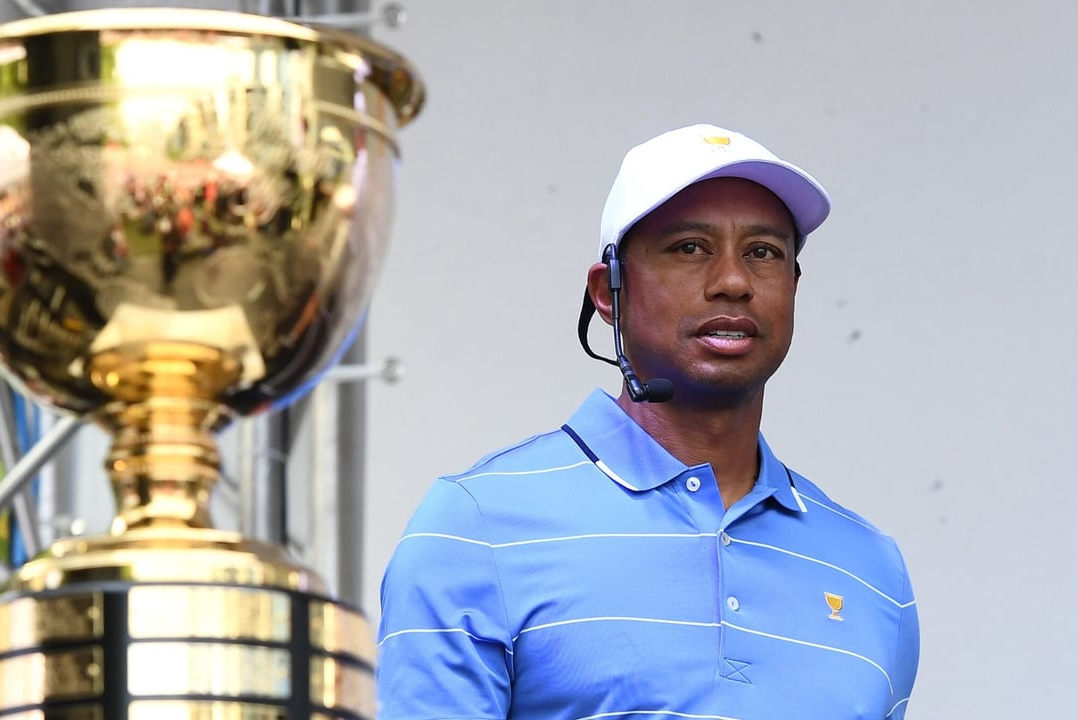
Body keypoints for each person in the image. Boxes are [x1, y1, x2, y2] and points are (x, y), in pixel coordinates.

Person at [376, 123, 920, 719]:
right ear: (608, 292)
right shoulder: (474, 528)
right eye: (690, 247)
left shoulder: (871, 570)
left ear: (792, 287)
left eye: (763, 252)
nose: (734, 282)